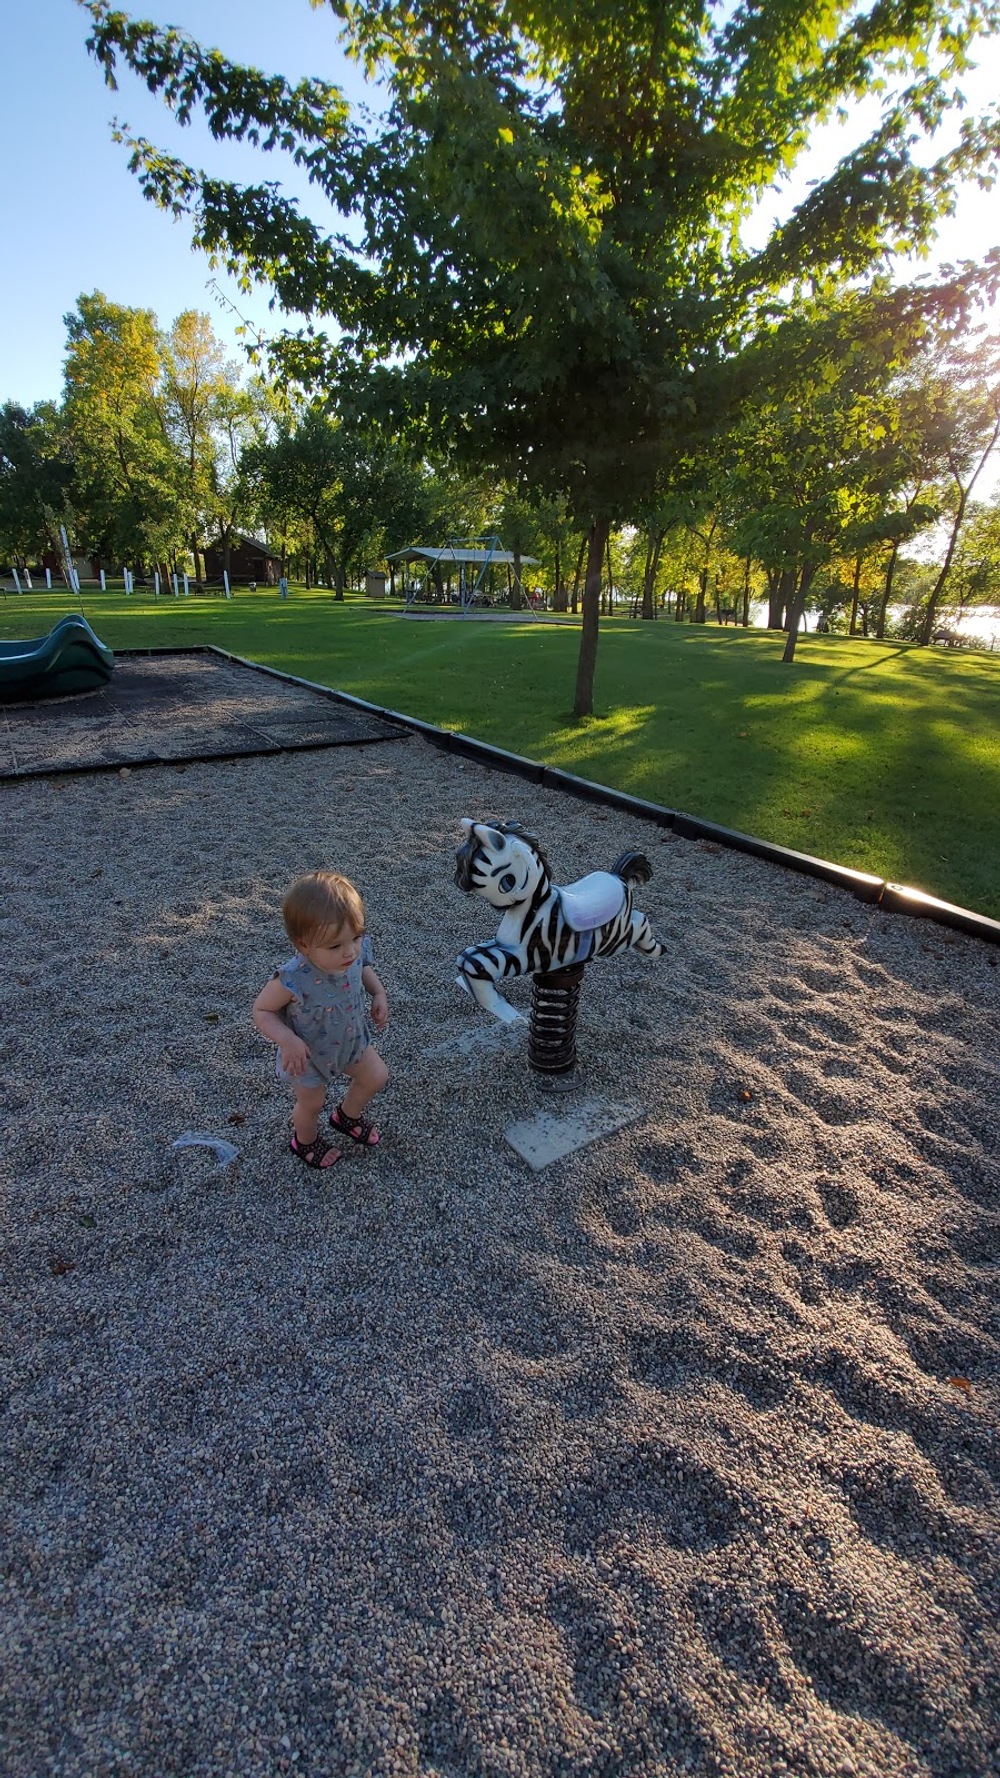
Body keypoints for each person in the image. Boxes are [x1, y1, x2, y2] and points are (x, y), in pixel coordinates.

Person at [252, 871, 389, 1170]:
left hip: (350, 1041)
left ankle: (346, 1116)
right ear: (303, 945)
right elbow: (261, 1010)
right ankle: (304, 1141)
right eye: (335, 946)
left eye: (356, 937)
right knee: (311, 1105)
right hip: (308, 1057)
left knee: (376, 1076)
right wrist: (287, 1040)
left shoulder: (352, 954)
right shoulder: (292, 978)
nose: (350, 950)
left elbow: (363, 968)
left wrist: (377, 992)